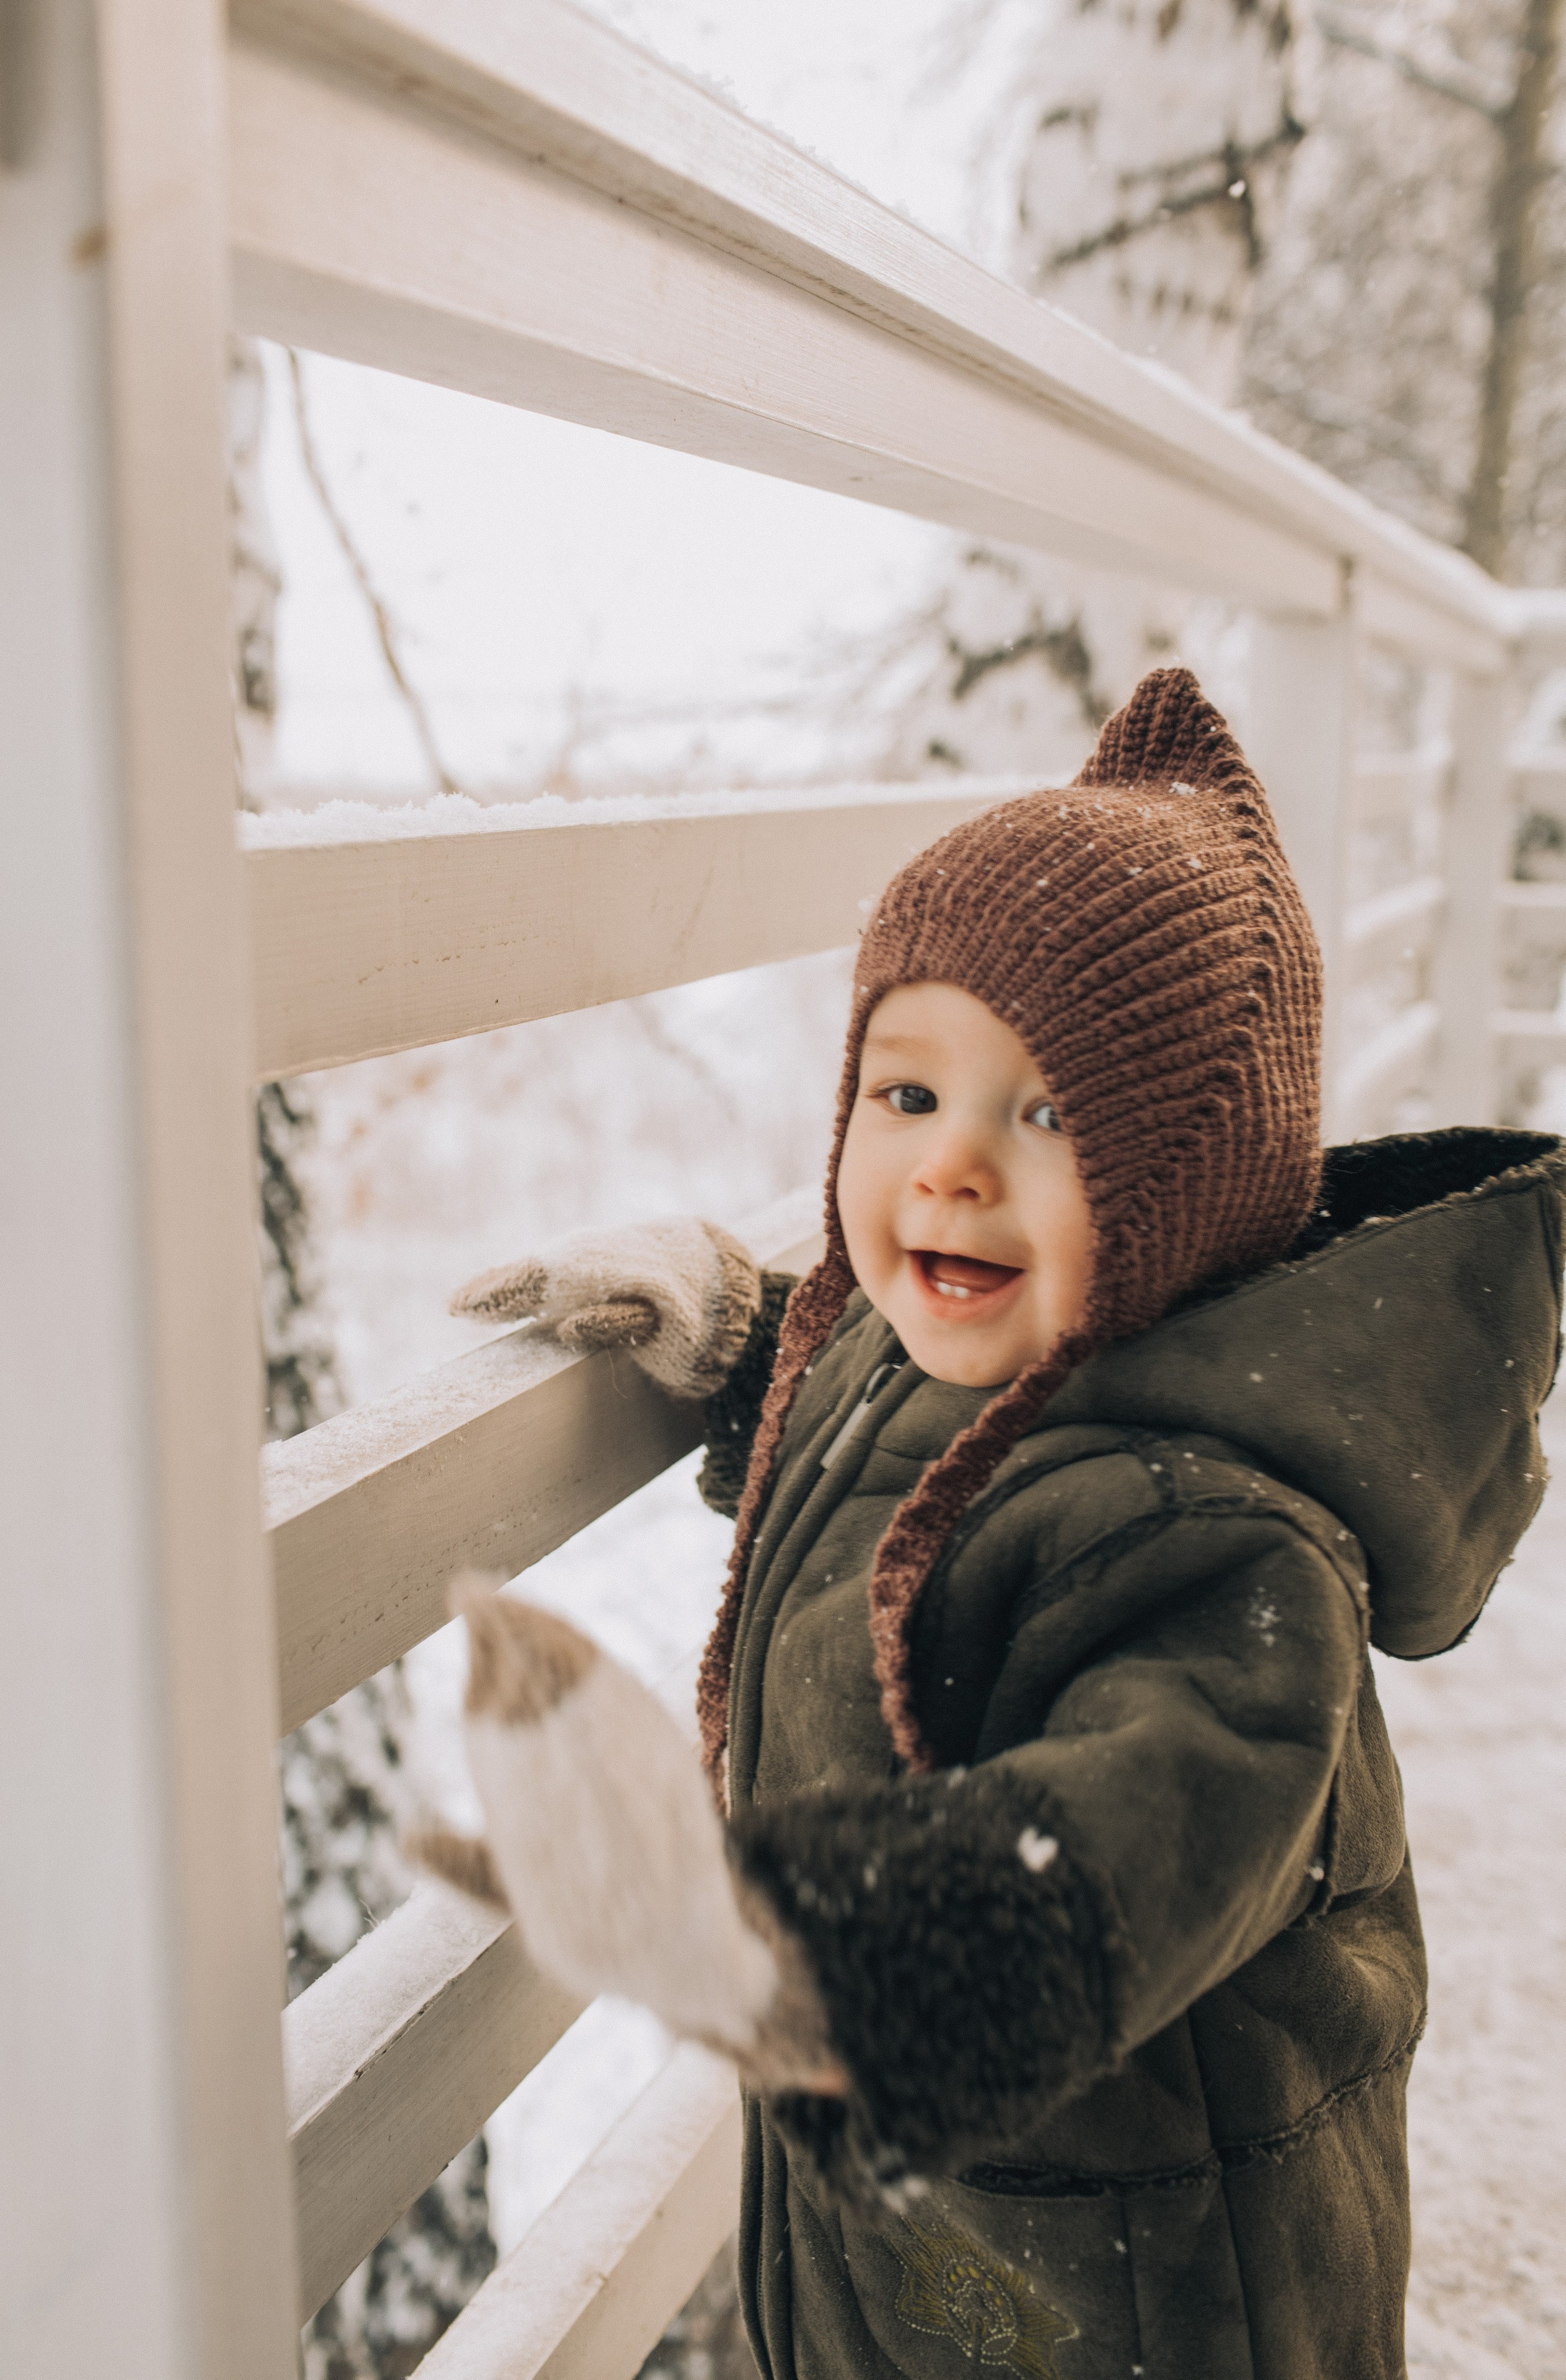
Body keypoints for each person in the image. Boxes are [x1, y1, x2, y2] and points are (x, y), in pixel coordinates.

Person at [430, 668, 1565, 2380]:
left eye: (1048, 1115)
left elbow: (1125, 1843)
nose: (951, 1165)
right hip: (930, 2233)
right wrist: (741, 1339)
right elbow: (882, 1461)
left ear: (1193, 1187)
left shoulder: (1224, 1545)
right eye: (907, 1096)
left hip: (1144, 2292)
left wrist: (776, 1949)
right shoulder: (952, 1347)